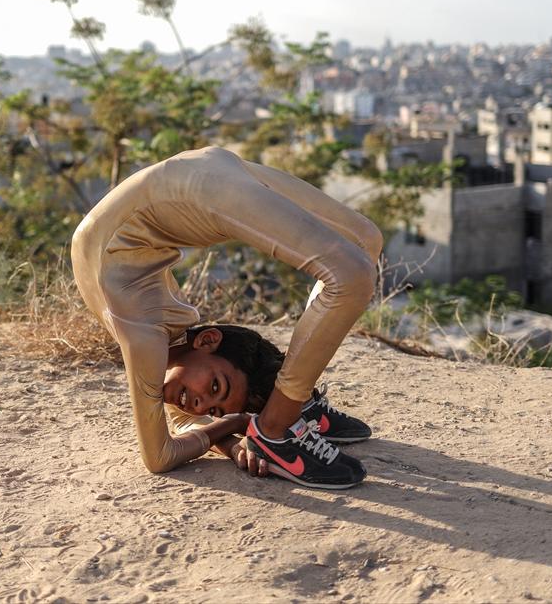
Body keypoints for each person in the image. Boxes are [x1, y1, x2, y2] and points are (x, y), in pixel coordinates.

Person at [71, 146, 383, 488]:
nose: (200, 404)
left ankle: (284, 418)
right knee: (354, 269)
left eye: (213, 402)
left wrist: (236, 432)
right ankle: (279, 423)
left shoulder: (151, 342)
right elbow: (171, 441)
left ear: (208, 339)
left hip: (198, 179)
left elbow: (170, 441)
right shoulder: (164, 342)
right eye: (216, 390)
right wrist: (236, 428)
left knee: (363, 246)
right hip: (198, 175)